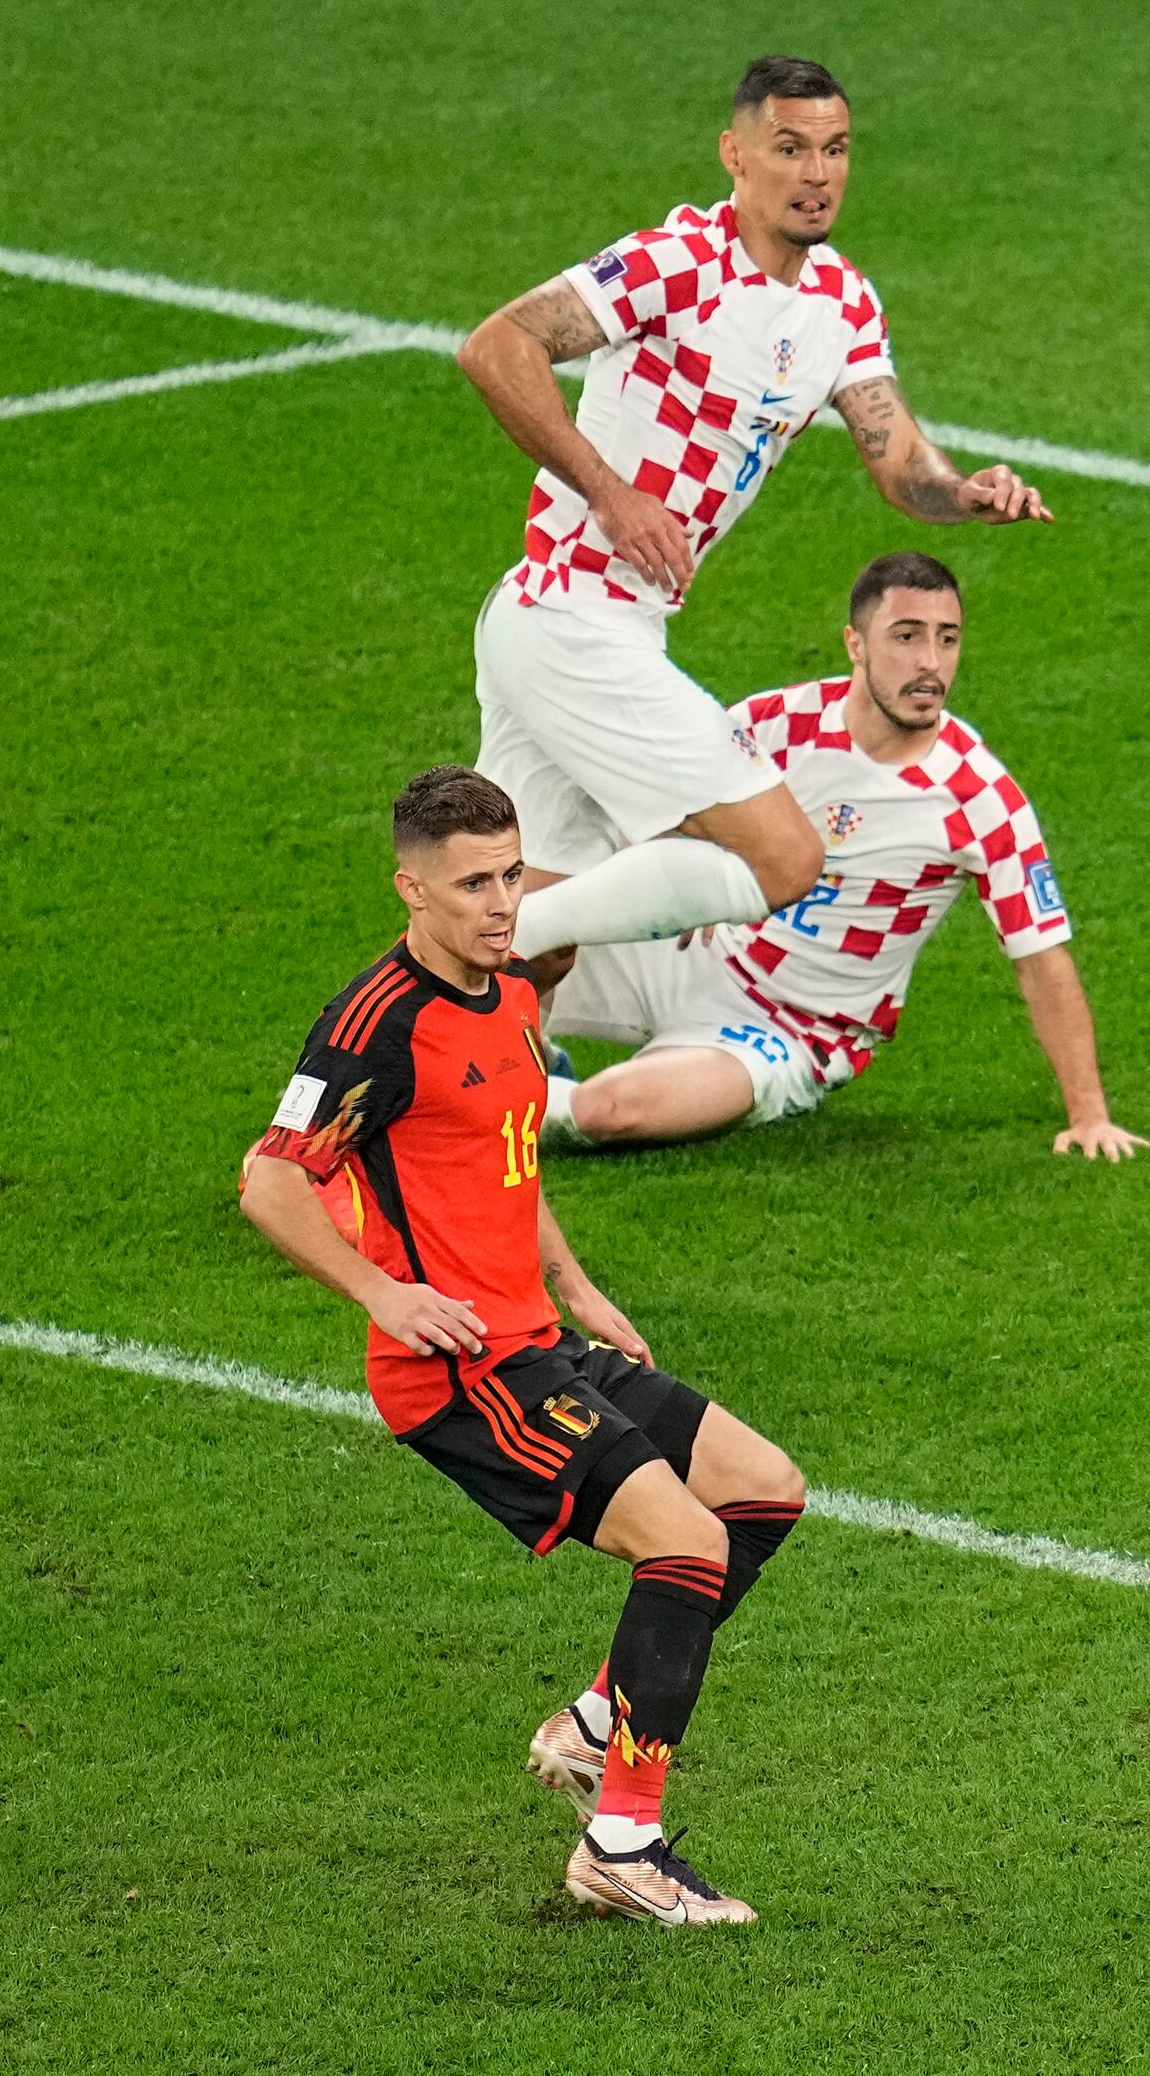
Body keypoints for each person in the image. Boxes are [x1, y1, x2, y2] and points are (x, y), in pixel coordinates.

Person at [234, 769, 809, 1927]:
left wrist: (575, 1281)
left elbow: (506, 1155)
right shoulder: (374, 1026)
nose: (504, 903)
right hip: (457, 1371)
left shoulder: (509, 1000)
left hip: (538, 1338)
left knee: (765, 1492)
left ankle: (598, 1722)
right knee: (688, 1546)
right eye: (473, 884)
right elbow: (268, 1181)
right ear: (411, 888)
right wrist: (384, 1295)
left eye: (509, 874)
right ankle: (622, 1842)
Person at [452, 53, 1051, 970]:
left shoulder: (841, 300)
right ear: (735, 154)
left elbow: (899, 459)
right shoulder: (677, 263)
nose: (817, 174)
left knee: (537, 962)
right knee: (782, 857)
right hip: (574, 620)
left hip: (570, 624)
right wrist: (611, 494)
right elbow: (498, 347)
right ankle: (443, 946)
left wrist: (964, 495)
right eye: (790, 148)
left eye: (836, 150)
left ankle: (435, 1082)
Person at [540, 554, 1145, 1155]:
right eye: (906, 637)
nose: (930, 663)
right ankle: (519, 1059)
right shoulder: (779, 722)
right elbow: (658, 796)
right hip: (689, 953)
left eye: (947, 639)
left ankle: (505, 1099)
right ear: (855, 645)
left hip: (788, 1030)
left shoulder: (978, 798)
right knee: (518, 931)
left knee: (603, 1111)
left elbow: (1039, 956)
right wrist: (673, 864)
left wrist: (1089, 1116)